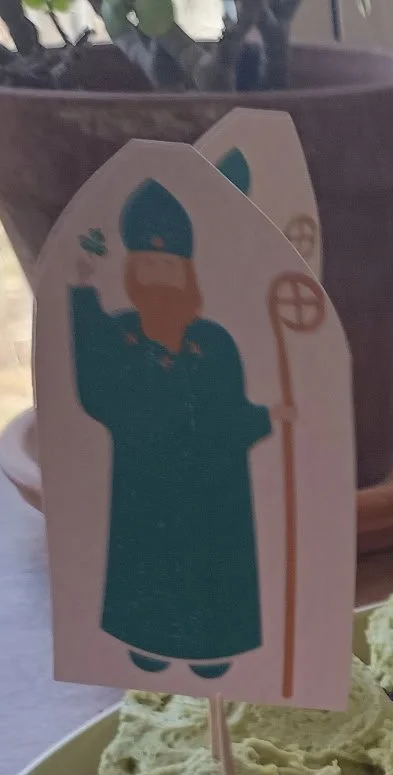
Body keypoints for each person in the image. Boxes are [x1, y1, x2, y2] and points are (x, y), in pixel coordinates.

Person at [71, 178, 281, 679]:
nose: (160, 279)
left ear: (187, 276)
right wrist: (79, 296)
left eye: (170, 269)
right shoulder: (117, 337)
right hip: (146, 484)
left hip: (211, 487)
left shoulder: (215, 340)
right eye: (149, 267)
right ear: (133, 274)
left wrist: (271, 417)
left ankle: (216, 647)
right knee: (150, 567)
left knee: (211, 566)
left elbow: (231, 412)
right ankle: (147, 644)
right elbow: (96, 391)